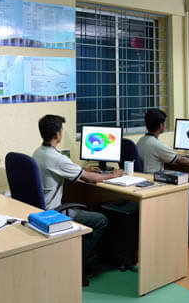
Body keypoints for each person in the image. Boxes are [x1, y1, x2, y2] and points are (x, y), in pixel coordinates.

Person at [32, 114, 122, 285]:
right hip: (53, 212)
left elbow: (71, 171)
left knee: (87, 208)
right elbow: (90, 179)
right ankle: (76, 264)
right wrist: (112, 175)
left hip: (38, 209)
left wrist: (82, 170)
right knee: (100, 220)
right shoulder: (57, 158)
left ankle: (77, 255)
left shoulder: (38, 152)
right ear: (58, 134)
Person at [136, 108, 189, 243]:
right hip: (157, 182)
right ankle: (185, 233)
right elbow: (181, 160)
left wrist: (177, 158)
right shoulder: (156, 144)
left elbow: (172, 158)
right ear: (161, 125)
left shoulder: (141, 141)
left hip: (147, 180)